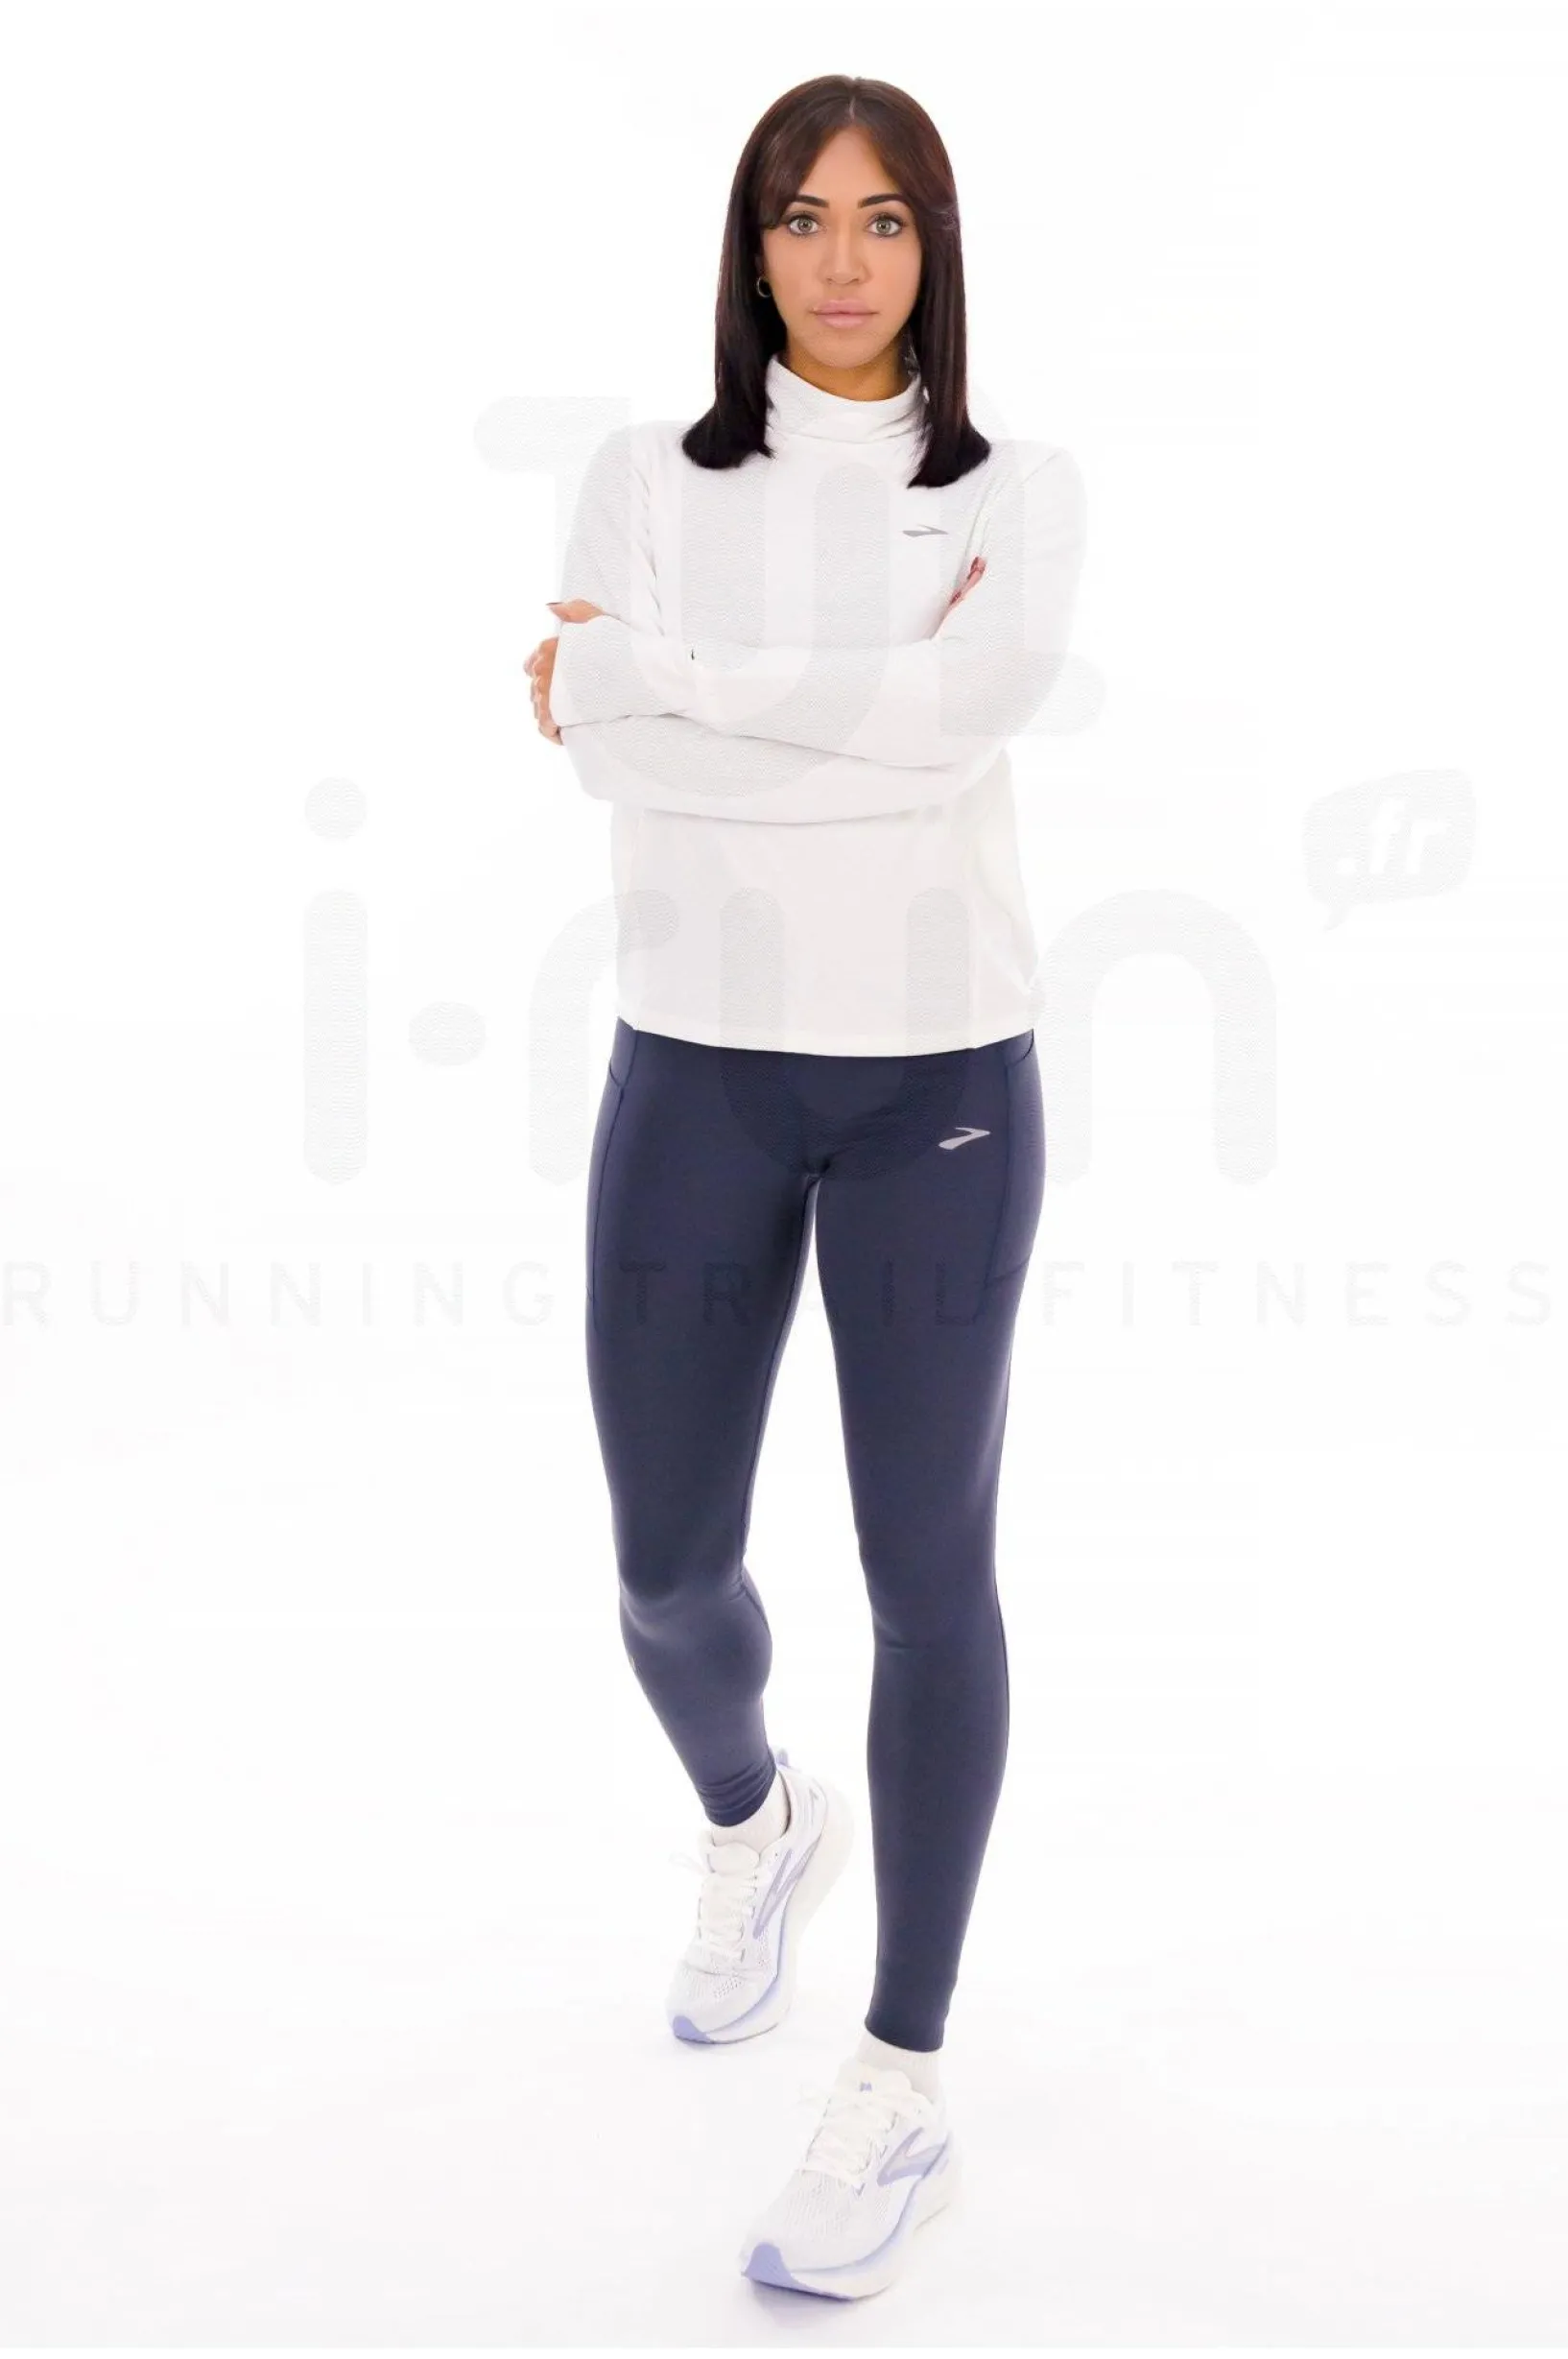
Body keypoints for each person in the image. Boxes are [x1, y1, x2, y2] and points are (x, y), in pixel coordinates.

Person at [524, 75, 1086, 2301]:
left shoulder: (1016, 490)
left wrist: (669, 683)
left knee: (924, 1569)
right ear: (748, 246)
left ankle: (900, 2073)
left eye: (883, 219)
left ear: (934, 245)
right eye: (799, 217)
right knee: (664, 1567)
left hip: (940, 1079)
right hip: (693, 1065)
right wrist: (843, 706)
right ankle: (756, 1823)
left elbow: (961, 725)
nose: (842, 261)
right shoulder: (643, 475)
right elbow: (604, 746)